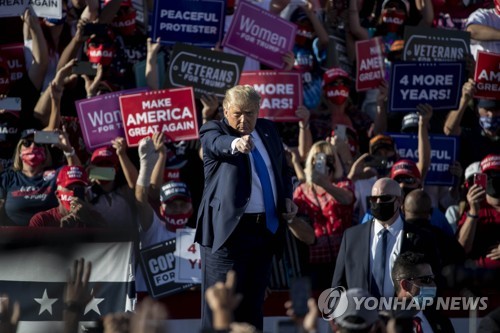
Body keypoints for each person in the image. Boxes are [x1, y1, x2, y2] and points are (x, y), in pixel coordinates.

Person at [195, 85, 297, 330]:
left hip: (263, 233)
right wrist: (236, 145)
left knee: (252, 306)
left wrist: (287, 198)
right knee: (219, 309)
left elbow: (282, 170)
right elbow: (215, 144)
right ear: (226, 110)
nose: (244, 119)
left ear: (258, 110)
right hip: (228, 236)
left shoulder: (269, 129)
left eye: (250, 113)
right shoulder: (214, 129)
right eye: (238, 113)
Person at [332, 178, 440, 298]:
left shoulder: (421, 238)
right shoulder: (352, 237)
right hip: (361, 313)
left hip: (403, 314)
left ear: (399, 201)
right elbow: (338, 285)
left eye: (385, 198)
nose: (378, 202)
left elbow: (432, 285)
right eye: (373, 199)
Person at [293, 140, 354, 289]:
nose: (323, 163)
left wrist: (325, 184)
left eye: (329, 158)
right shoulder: (301, 191)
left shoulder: (343, 184)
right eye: (317, 158)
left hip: (343, 260)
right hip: (313, 263)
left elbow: (347, 199)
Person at [0, 129, 79, 226]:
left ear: (45, 151)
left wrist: (68, 150)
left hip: (50, 237)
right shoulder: (8, 177)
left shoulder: (56, 173)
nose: (33, 146)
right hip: (15, 237)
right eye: (27, 143)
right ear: (19, 149)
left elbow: (77, 175)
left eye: (38, 143)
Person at [391, 251, 455, 332]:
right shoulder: (384, 325)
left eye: (432, 279)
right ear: (406, 285)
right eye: (427, 279)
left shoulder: (441, 321)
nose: (434, 285)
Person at [457, 153, 500, 269]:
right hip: (480, 277)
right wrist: (473, 212)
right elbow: (462, 250)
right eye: (489, 175)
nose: (494, 179)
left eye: (498, 174)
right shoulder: (474, 207)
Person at [402, 189, 465, 267]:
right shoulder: (443, 238)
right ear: (430, 211)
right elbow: (460, 259)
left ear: (402, 209)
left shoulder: (396, 237)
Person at [29, 165, 106, 228]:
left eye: (79, 189)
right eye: (69, 188)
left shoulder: (95, 218)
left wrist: (88, 221)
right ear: (57, 194)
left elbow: (110, 244)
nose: (73, 193)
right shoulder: (42, 220)